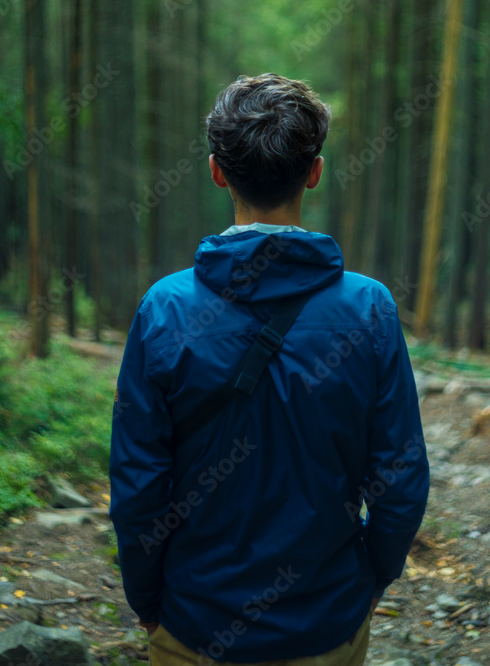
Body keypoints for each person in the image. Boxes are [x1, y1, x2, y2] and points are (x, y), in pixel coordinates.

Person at [109, 73, 429, 666]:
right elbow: (401, 481)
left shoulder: (165, 309)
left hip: (193, 625)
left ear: (216, 171)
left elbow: (138, 486)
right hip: (328, 624)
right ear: (315, 172)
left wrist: (148, 601)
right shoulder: (370, 309)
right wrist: (371, 580)